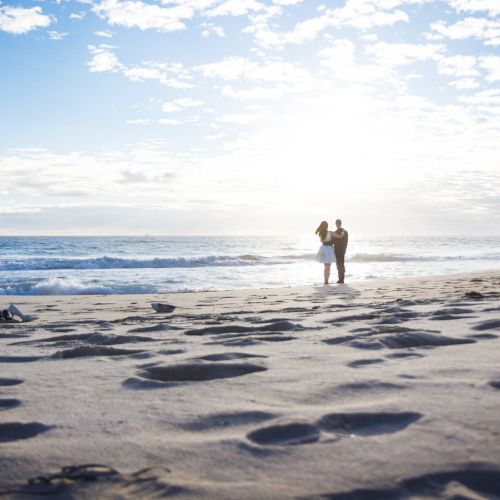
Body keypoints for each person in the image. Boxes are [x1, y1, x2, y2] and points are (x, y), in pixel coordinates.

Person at [315, 221, 345, 285]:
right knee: (328, 266)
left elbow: (322, 241)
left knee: (325, 266)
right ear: (327, 226)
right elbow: (340, 236)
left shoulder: (320, 233)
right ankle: (326, 281)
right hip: (329, 249)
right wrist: (343, 231)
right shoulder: (330, 233)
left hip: (323, 249)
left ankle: (325, 280)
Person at [332, 218, 348, 283]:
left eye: (338, 223)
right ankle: (341, 278)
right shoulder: (344, 232)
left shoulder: (337, 232)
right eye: (337, 223)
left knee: (340, 264)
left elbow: (345, 242)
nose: (338, 224)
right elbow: (346, 242)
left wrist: (344, 249)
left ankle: (341, 279)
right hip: (339, 250)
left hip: (339, 250)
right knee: (339, 264)